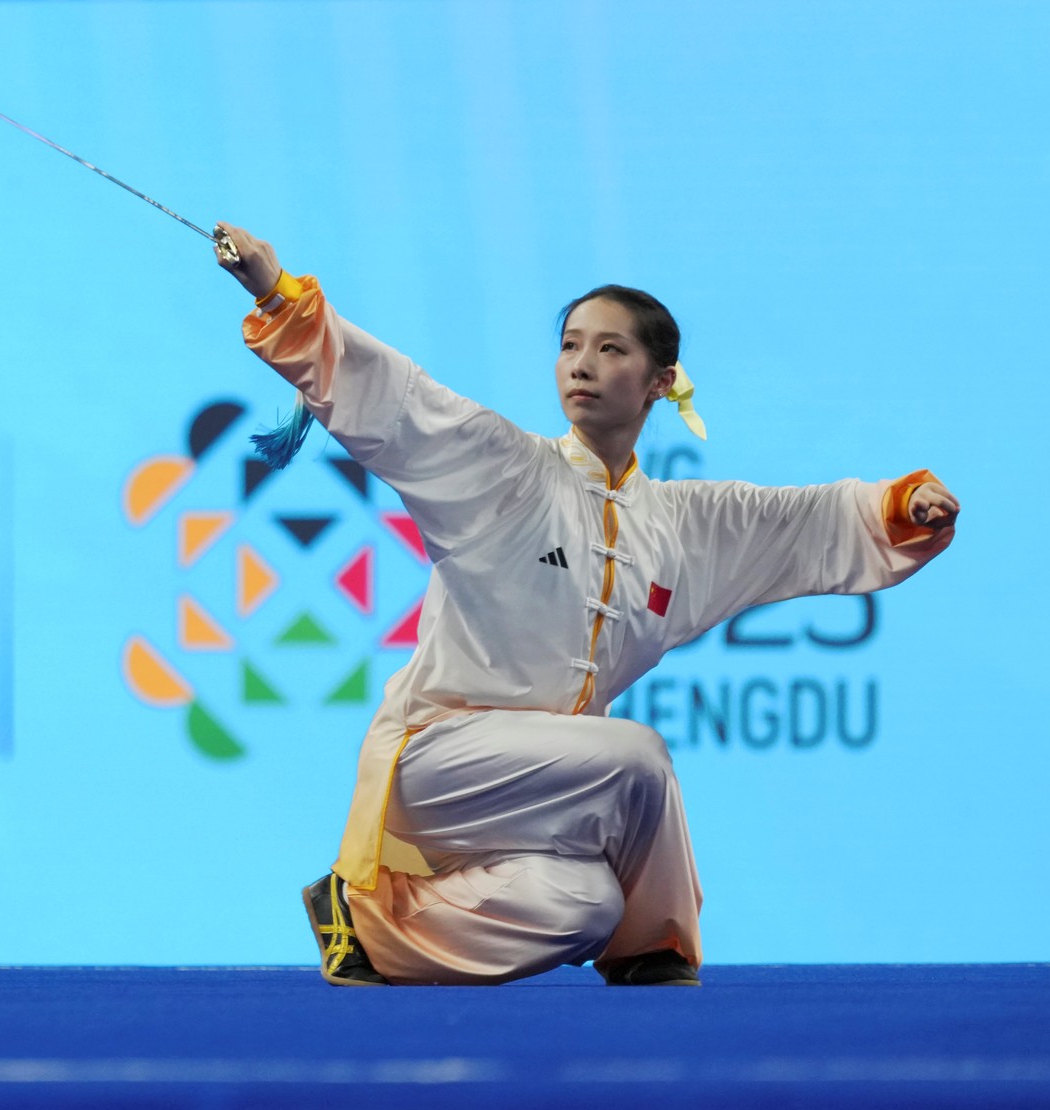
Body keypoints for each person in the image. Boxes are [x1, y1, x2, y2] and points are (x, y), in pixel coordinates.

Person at [213, 223, 958, 987]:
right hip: (436, 760)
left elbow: (800, 521)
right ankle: (656, 945)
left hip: (546, 786)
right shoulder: (502, 466)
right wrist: (276, 292)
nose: (582, 365)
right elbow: (399, 399)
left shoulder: (683, 525)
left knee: (583, 902)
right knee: (637, 755)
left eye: (610, 349)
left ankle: (364, 925)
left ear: (661, 381)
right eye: (571, 345)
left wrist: (903, 505)